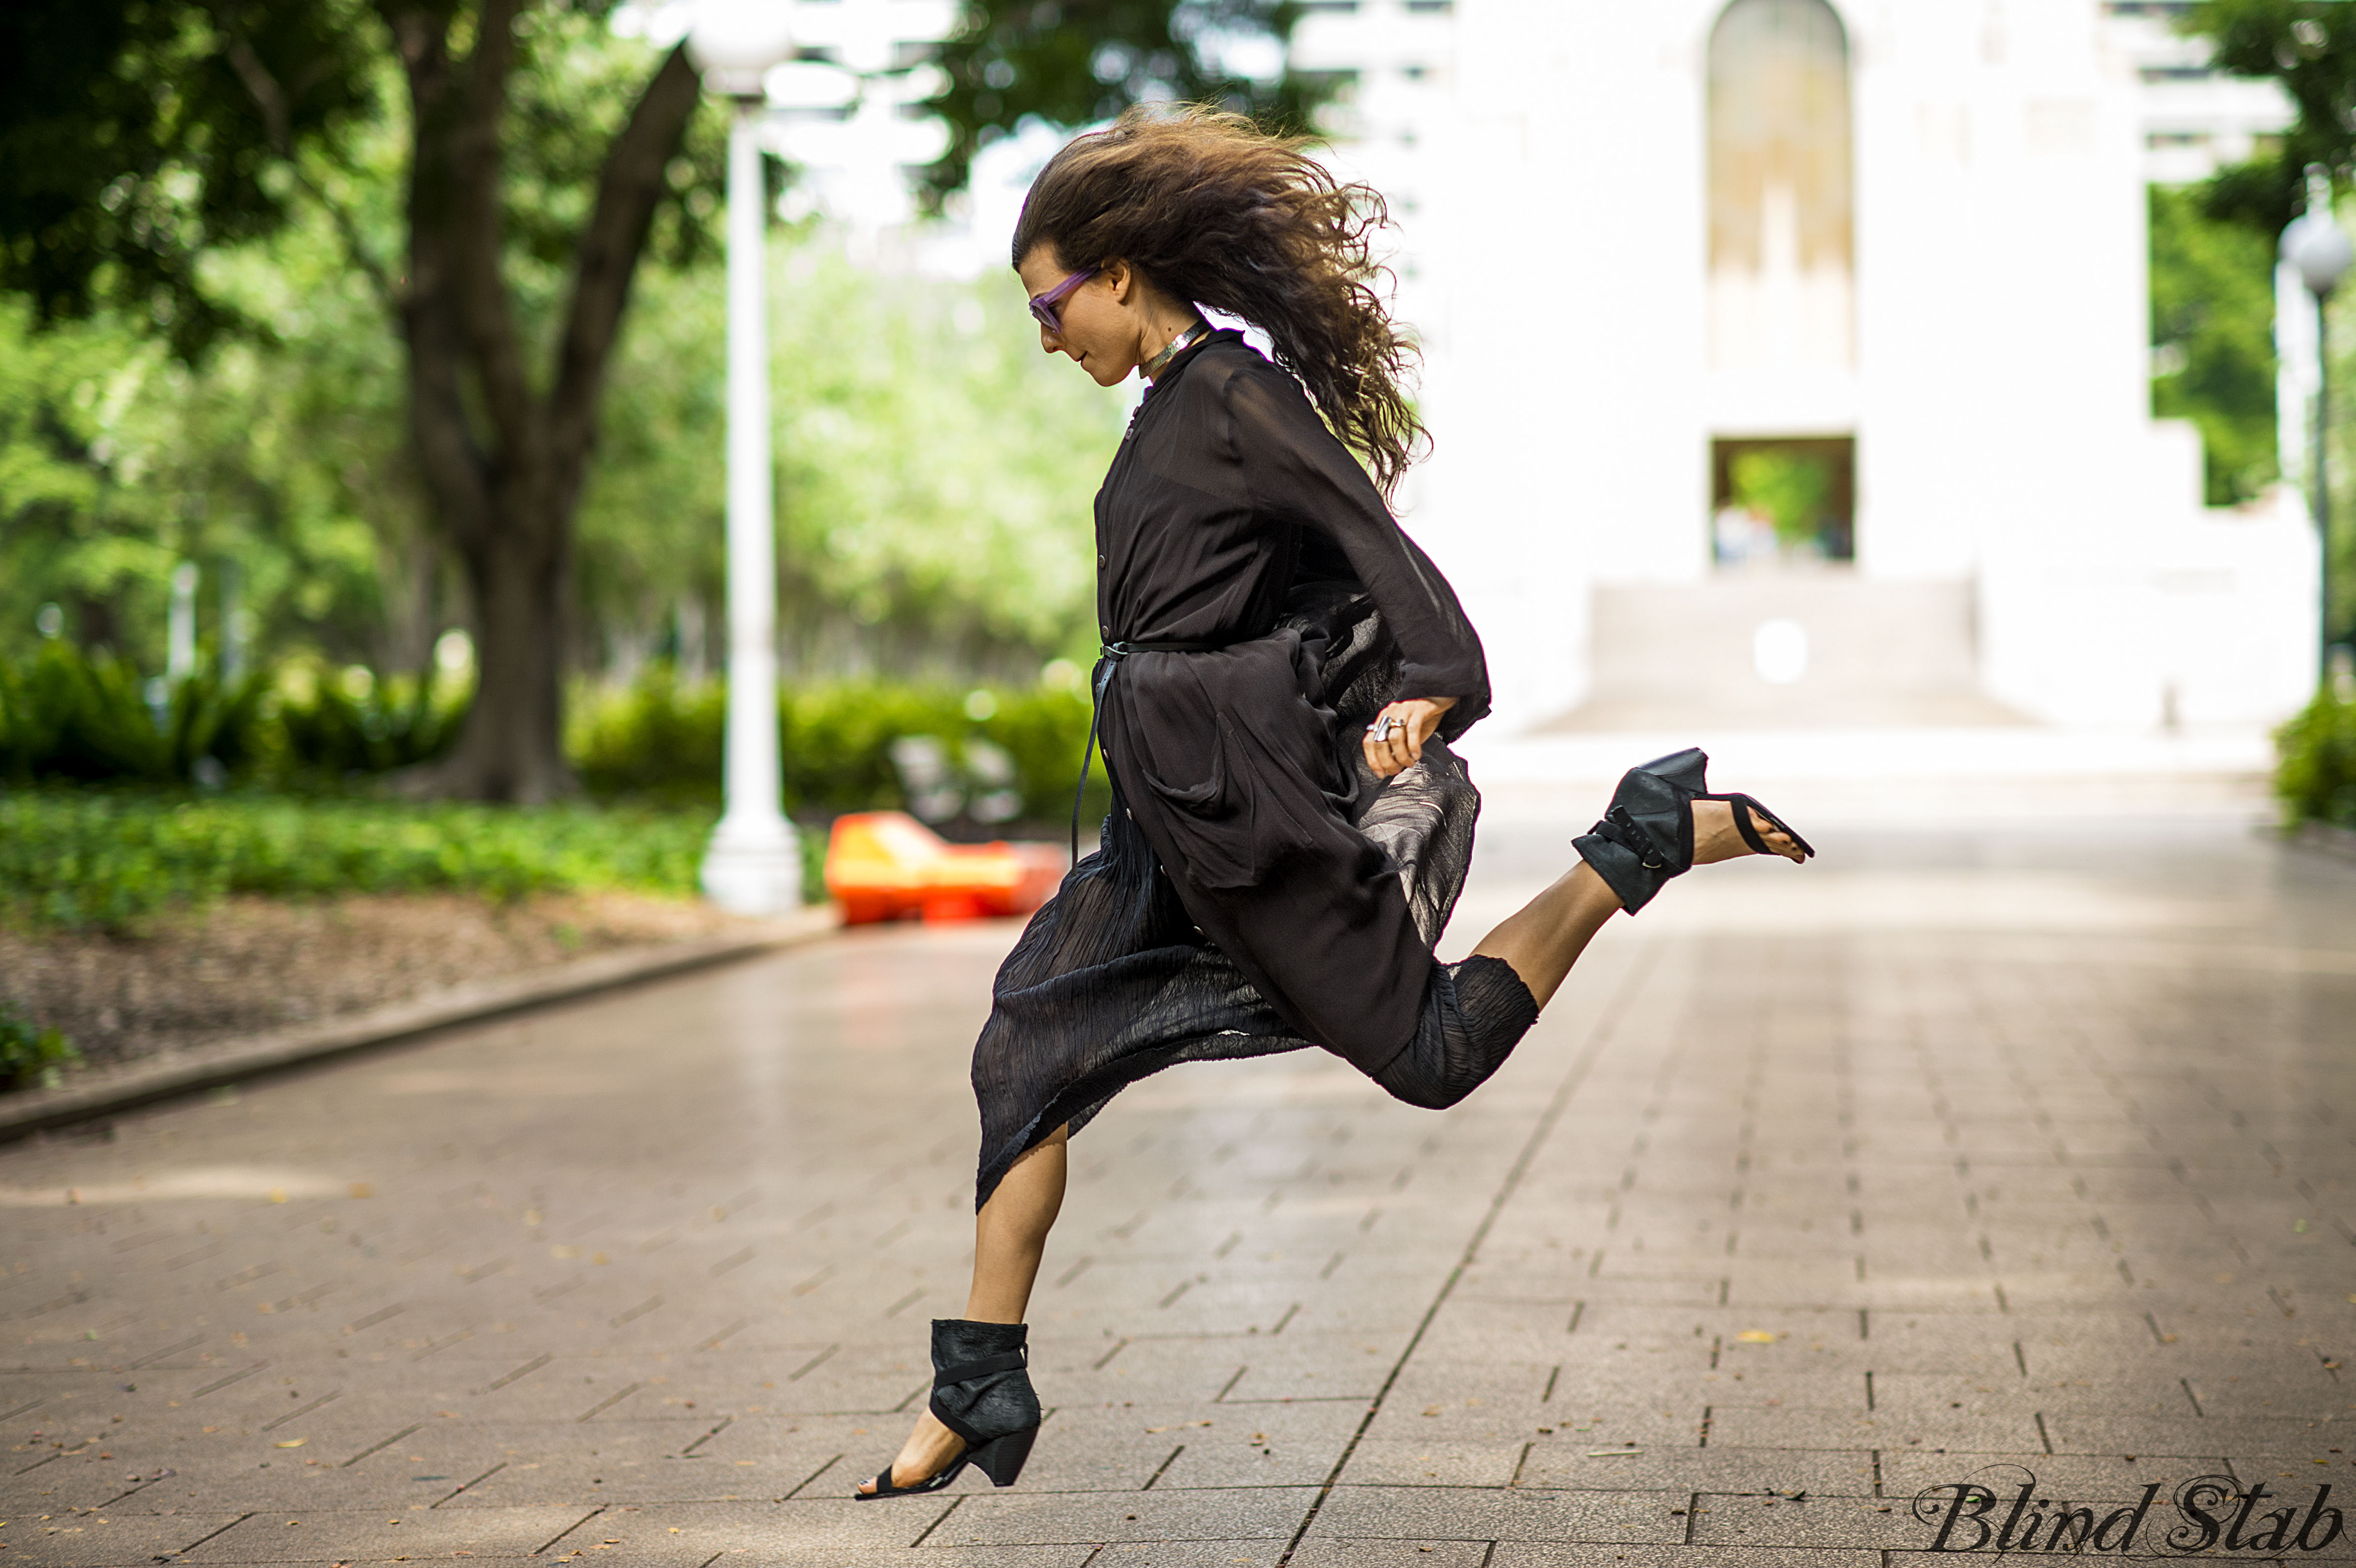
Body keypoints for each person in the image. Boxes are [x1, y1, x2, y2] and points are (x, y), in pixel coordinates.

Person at [855, 107, 1813, 1499]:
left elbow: (1376, 543)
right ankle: (979, 1381)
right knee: (1026, 1049)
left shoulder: (1237, 398)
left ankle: (1641, 842)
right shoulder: (1168, 407)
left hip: (1238, 814)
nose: (1047, 336)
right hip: (1165, 819)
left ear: (1119, 272)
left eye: (1052, 305)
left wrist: (1431, 681)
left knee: (1430, 1053)